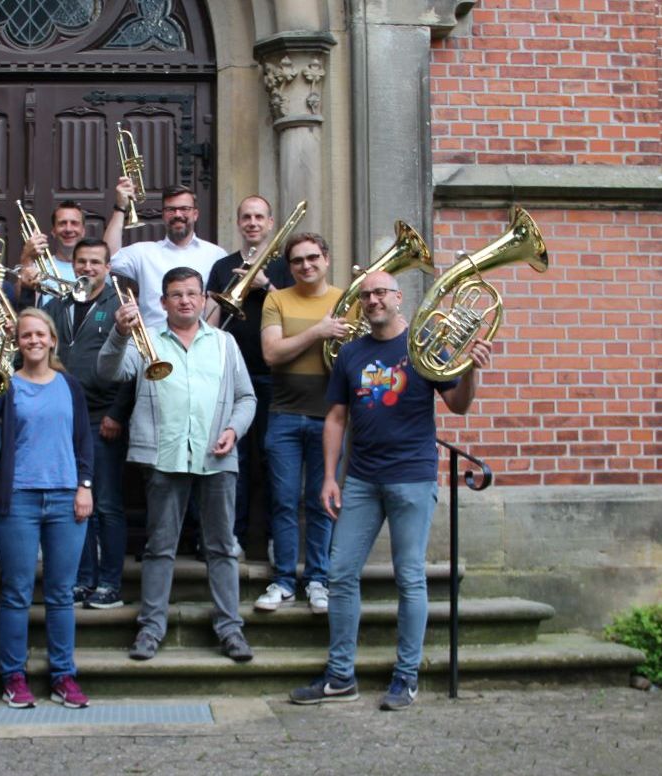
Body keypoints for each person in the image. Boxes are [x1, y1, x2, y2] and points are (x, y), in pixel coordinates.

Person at [289, 271, 491, 711]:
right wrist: (329, 477)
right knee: (340, 573)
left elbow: (458, 405)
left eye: (381, 292)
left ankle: (406, 677)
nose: (373, 300)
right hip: (361, 479)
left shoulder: (424, 343)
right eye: (365, 295)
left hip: (412, 477)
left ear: (399, 297)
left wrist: (472, 368)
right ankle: (340, 676)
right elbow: (336, 417)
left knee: (410, 577)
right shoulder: (350, 353)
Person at [98, 266, 257, 663]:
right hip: (163, 457)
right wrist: (119, 333)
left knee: (222, 547)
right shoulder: (145, 339)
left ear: (203, 299)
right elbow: (108, 370)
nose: (185, 300)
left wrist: (234, 430)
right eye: (176, 294)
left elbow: (246, 398)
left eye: (191, 294)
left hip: (217, 456)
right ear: (163, 302)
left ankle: (230, 629)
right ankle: (151, 628)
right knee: (159, 547)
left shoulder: (225, 343)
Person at [0, 308, 95, 709]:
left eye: (39, 334)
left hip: (66, 496)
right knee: (17, 593)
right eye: (25, 335)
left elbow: (84, 439)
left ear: (52, 340)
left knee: (61, 594)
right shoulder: (7, 383)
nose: (33, 340)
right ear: (17, 342)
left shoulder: (69, 385)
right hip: (18, 499)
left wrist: (85, 486)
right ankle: (13, 676)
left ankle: (63, 675)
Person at [255, 232, 347, 614]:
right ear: (289, 266)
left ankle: (318, 580)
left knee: (322, 502)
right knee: (284, 500)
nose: (306, 265)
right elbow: (272, 353)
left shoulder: (345, 300)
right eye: (297, 261)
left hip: (331, 418)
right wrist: (318, 332)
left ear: (326, 259)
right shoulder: (277, 299)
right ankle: (283, 581)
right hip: (285, 415)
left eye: (312, 258)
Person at [40, 238, 129, 609]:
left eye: (95, 262)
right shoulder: (57, 304)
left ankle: (109, 583)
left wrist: (117, 413)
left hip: (103, 416)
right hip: (64, 417)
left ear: (108, 268)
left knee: (106, 504)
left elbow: (135, 366)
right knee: (77, 503)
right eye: (81, 262)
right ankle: (84, 579)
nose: (87, 268)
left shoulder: (120, 304)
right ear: (73, 265)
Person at [205, 195, 294, 558]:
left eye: (259, 217)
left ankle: (275, 538)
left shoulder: (286, 267)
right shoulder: (223, 266)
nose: (253, 223)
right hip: (231, 376)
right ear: (238, 223)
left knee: (274, 458)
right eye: (246, 217)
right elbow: (210, 322)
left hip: (276, 375)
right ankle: (233, 536)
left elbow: (297, 317)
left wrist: (265, 286)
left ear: (270, 223)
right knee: (233, 459)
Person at [103, 182, 226, 327]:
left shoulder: (216, 254)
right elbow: (107, 258)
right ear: (163, 215)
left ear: (195, 214)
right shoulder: (144, 253)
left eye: (184, 209)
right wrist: (120, 207)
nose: (177, 214)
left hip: (199, 339)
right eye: (171, 209)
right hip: (153, 339)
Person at [17, 200, 86, 307]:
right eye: (62, 223)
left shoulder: (93, 269)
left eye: (74, 223)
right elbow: (19, 299)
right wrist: (26, 258)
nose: (68, 229)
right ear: (53, 231)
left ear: (83, 231)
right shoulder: (39, 268)